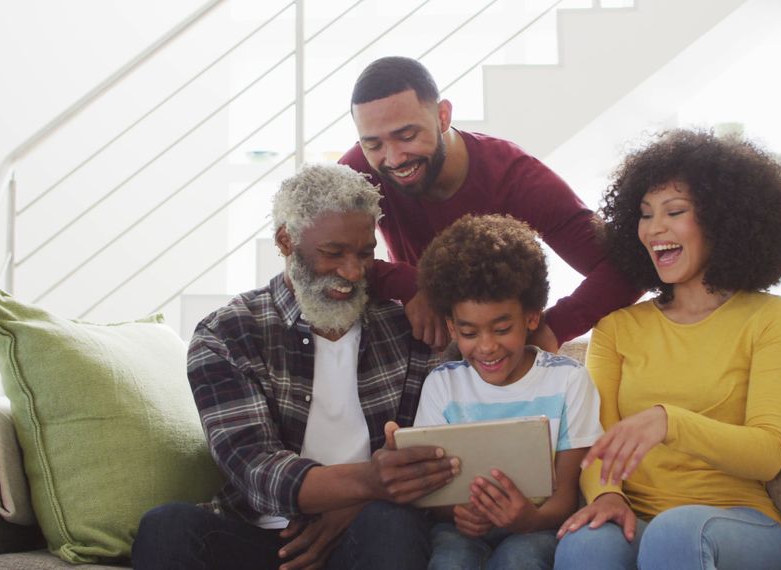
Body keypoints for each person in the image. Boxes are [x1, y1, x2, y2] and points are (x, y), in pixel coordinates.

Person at [132, 164, 460, 570]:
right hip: (263, 537)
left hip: (367, 530)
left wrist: (360, 503)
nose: (353, 273)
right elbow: (253, 466)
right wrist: (368, 483)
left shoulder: (404, 329)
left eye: (364, 254)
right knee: (167, 528)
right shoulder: (229, 333)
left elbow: (438, 453)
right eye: (333, 253)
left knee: (394, 523)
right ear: (286, 240)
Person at [553, 129, 781, 570]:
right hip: (640, 517)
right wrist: (609, 493)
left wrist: (670, 422)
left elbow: (768, 454)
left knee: (676, 533)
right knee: (585, 544)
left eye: (675, 212)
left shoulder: (771, 319)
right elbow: (595, 438)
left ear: (722, 221)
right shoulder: (617, 328)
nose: (654, 229)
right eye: (645, 214)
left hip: (735, 521)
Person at [339, 56, 641, 353]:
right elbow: (311, 250)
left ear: (443, 116)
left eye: (406, 136)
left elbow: (627, 267)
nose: (392, 159)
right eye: (373, 144)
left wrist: (555, 328)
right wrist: (407, 284)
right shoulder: (358, 169)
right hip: (418, 348)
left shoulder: (515, 178)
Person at [412, 214, 604, 569]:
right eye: (469, 333)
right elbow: (433, 496)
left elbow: (565, 499)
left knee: (520, 560)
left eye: (501, 329)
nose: (486, 347)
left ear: (531, 317)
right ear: (452, 328)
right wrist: (458, 513)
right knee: (451, 561)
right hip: (462, 530)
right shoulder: (442, 384)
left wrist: (528, 520)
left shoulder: (568, 381)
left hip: (538, 528)